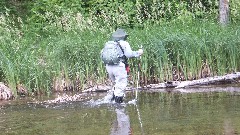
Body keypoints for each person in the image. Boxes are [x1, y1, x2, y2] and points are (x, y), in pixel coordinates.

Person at [101, 28, 143, 103]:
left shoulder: (109, 43)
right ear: (123, 36)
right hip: (118, 66)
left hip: (108, 66)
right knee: (121, 85)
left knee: (116, 84)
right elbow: (129, 54)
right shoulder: (124, 43)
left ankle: (110, 101)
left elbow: (102, 54)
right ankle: (118, 105)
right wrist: (138, 53)